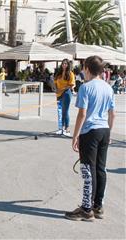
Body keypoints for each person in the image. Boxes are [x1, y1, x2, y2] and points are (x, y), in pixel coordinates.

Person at [65, 55, 116, 222]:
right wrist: (109, 131)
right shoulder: (108, 88)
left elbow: (82, 114)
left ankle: (86, 209)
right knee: (101, 168)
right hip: (104, 130)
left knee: (88, 169)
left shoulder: (85, 88)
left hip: (90, 131)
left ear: (87, 69)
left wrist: (75, 135)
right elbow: (112, 114)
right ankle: (98, 205)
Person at [54, 59, 75, 136]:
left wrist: (61, 89)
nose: (64, 65)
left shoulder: (70, 74)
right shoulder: (59, 73)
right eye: (63, 64)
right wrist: (56, 89)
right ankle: (61, 128)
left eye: (66, 64)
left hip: (66, 93)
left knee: (65, 111)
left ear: (68, 65)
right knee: (60, 111)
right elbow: (55, 82)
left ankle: (67, 128)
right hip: (58, 94)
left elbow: (71, 85)